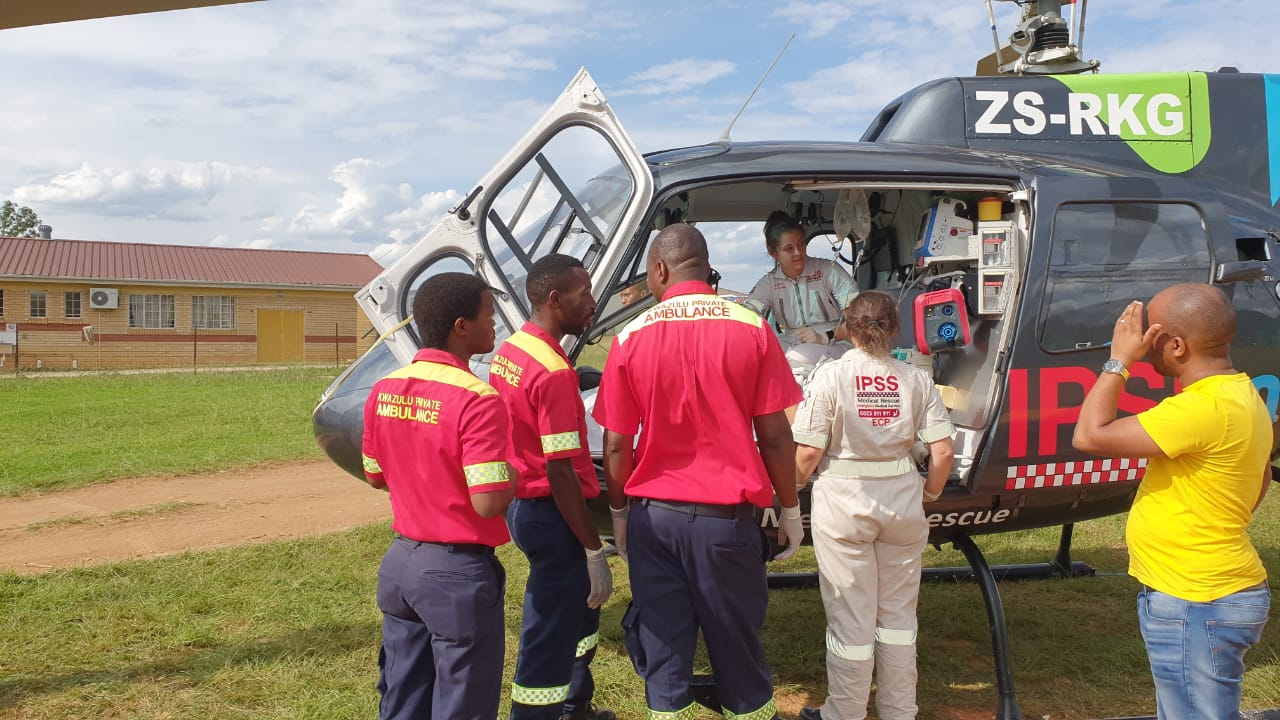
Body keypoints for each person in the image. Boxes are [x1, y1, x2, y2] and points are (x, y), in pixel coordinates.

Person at [592, 223, 805, 720]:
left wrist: (620, 516)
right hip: (726, 524)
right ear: (705, 266)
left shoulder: (631, 336)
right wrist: (789, 509)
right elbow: (775, 435)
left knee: (664, 657)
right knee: (740, 654)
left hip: (654, 521)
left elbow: (617, 444)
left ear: (661, 269)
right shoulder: (751, 326)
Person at [1072, 284, 1271, 720]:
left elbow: (1089, 435)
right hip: (1212, 590)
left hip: (1196, 599)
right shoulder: (1242, 395)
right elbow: (1262, 477)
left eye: (1151, 334)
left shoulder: (1200, 409)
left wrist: (1119, 360)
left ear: (1177, 346)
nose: (1143, 341)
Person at [792, 290, 955, 720]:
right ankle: (899, 711)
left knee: (851, 622)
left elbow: (807, 454)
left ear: (846, 328)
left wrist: (789, 491)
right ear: (896, 328)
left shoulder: (830, 377)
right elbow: (941, 453)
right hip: (903, 507)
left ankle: (844, 712)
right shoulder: (916, 379)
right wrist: (930, 496)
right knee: (899, 621)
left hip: (844, 510)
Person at [360, 272, 515, 720]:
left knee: (403, 693)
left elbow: (374, 475)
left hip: (400, 565)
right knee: (463, 700)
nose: (494, 327)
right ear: (460, 326)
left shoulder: (385, 388)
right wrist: (518, 471)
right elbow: (488, 501)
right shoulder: (477, 399)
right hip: (455, 573)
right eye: (488, 318)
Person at [490, 254, 615, 720]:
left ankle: (574, 706)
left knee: (580, 617)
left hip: (525, 505)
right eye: (584, 295)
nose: (594, 303)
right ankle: (540, 710)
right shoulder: (554, 372)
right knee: (548, 633)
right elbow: (561, 470)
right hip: (552, 512)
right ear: (555, 299)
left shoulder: (513, 350)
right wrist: (592, 549)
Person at [749, 210, 858, 349]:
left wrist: (827, 336)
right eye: (788, 249)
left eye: (801, 244)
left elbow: (859, 318)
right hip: (792, 343)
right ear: (773, 252)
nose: (798, 252)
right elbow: (748, 316)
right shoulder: (768, 284)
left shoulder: (829, 271)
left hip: (836, 341)